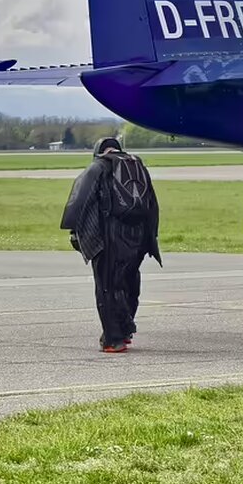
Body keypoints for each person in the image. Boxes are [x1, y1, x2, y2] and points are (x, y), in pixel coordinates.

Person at [60, 137, 161, 353]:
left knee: (108, 287)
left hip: (110, 238)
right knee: (129, 284)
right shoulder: (138, 165)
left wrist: (76, 234)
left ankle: (113, 339)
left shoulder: (98, 167)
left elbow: (79, 202)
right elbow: (152, 204)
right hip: (138, 238)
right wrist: (150, 239)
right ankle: (125, 331)